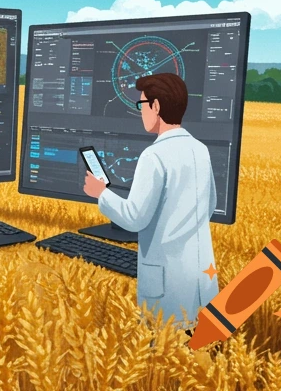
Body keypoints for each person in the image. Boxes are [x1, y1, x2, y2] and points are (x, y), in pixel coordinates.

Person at [82, 72, 218, 330]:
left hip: (167, 288)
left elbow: (134, 218)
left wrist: (101, 193)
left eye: (141, 104)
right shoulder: (201, 149)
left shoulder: (154, 156)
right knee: (197, 349)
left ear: (156, 107)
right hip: (200, 281)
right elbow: (208, 205)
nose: (141, 111)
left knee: (162, 356)